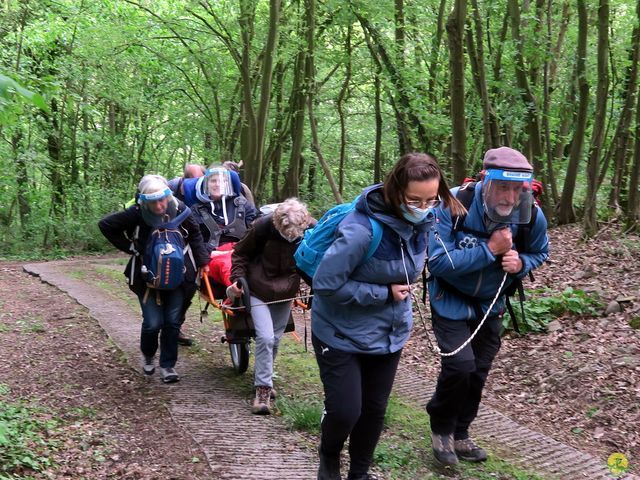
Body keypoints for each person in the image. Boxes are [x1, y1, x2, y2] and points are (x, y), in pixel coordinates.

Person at [311, 153, 465, 480]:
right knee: (345, 411)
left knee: (374, 411)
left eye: (430, 200)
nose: (423, 207)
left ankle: (360, 473)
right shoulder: (360, 229)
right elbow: (324, 285)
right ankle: (328, 456)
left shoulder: (424, 225)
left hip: (388, 335)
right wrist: (382, 293)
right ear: (395, 191)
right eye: (414, 200)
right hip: (338, 332)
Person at [425, 146, 549, 466]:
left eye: (517, 189)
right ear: (486, 181)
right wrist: (491, 250)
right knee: (460, 366)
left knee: (478, 372)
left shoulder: (530, 212)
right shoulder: (453, 204)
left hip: (492, 303)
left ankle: (462, 433)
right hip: (449, 297)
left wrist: (520, 262)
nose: (510, 197)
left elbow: (540, 251)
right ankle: (441, 428)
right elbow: (438, 262)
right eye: (503, 188)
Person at [98, 175, 210, 383]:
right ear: (145, 201)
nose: (159, 206)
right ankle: (148, 354)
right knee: (152, 322)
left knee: (173, 322)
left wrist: (203, 261)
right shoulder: (136, 213)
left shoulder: (181, 209)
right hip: (146, 276)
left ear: (168, 197)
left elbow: (195, 234)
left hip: (179, 275)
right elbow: (105, 225)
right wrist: (130, 247)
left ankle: (168, 366)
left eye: (162, 200)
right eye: (153, 202)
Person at [227, 198, 311, 415]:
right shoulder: (262, 227)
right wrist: (238, 280)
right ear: (279, 223)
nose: (292, 236)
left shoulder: (311, 228)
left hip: (286, 291)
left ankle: (264, 377)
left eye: (296, 233)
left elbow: (316, 258)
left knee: (274, 339)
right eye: (288, 233)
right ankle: (262, 390)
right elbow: (239, 254)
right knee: (265, 337)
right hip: (258, 288)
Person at [191, 166, 258, 292]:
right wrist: (211, 253)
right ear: (206, 184)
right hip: (213, 256)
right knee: (227, 263)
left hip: (242, 251)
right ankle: (238, 291)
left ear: (228, 184)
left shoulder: (243, 205)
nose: (217, 184)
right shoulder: (196, 211)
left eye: (222, 181)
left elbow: (256, 230)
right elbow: (194, 239)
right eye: (213, 181)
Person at [166, 163, 206, 346]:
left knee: (189, 287)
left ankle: (175, 325)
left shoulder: (203, 190)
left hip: (195, 239)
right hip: (172, 243)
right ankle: (166, 324)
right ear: (186, 180)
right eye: (195, 181)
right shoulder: (171, 192)